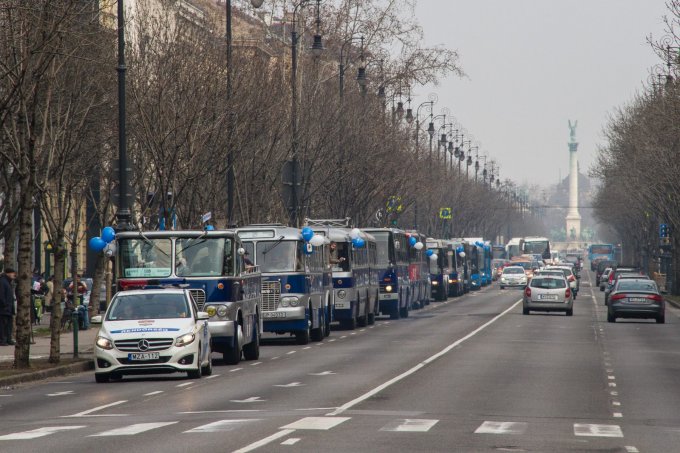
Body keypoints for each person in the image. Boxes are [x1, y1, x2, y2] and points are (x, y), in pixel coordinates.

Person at [0, 268, 17, 346]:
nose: (14, 275)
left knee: (8, 325)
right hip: (4, 309)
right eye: (13, 273)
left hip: (8, 308)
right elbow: (1, 295)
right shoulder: (3, 282)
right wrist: (5, 305)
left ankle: (8, 339)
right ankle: (3, 340)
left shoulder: (8, 282)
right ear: (8, 273)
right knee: (3, 325)